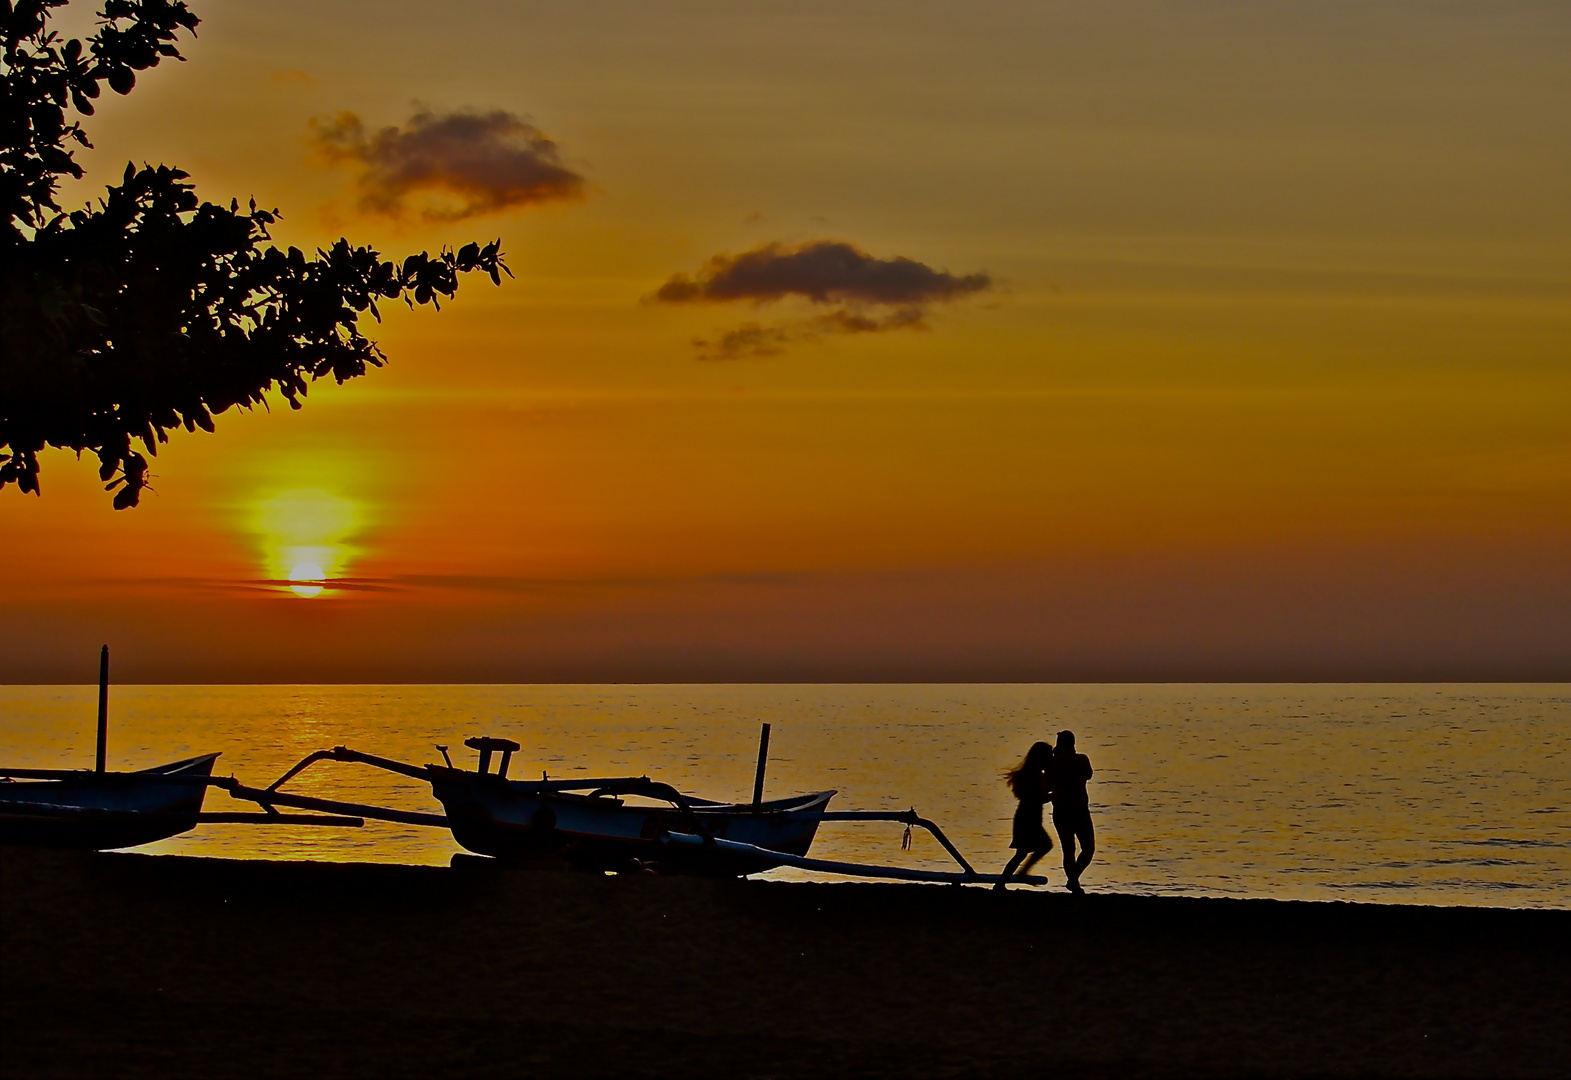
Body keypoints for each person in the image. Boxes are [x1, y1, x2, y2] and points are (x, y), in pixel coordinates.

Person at [995, 741, 1054, 890]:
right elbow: (1039, 798)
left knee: (1022, 853)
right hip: (1029, 818)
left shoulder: (1030, 773)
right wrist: (1056, 795)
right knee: (1043, 846)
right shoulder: (1033, 776)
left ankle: (1003, 882)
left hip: (1026, 817)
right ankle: (1016, 875)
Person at [1049, 729, 1095, 894]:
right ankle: (1073, 881)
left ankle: (1073, 881)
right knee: (1088, 848)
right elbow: (1089, 775)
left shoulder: (1053, 763)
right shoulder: (1081, 759)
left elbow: (1049, 784)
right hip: (1080, 810)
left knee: (1069, 850)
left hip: (1061, 810)